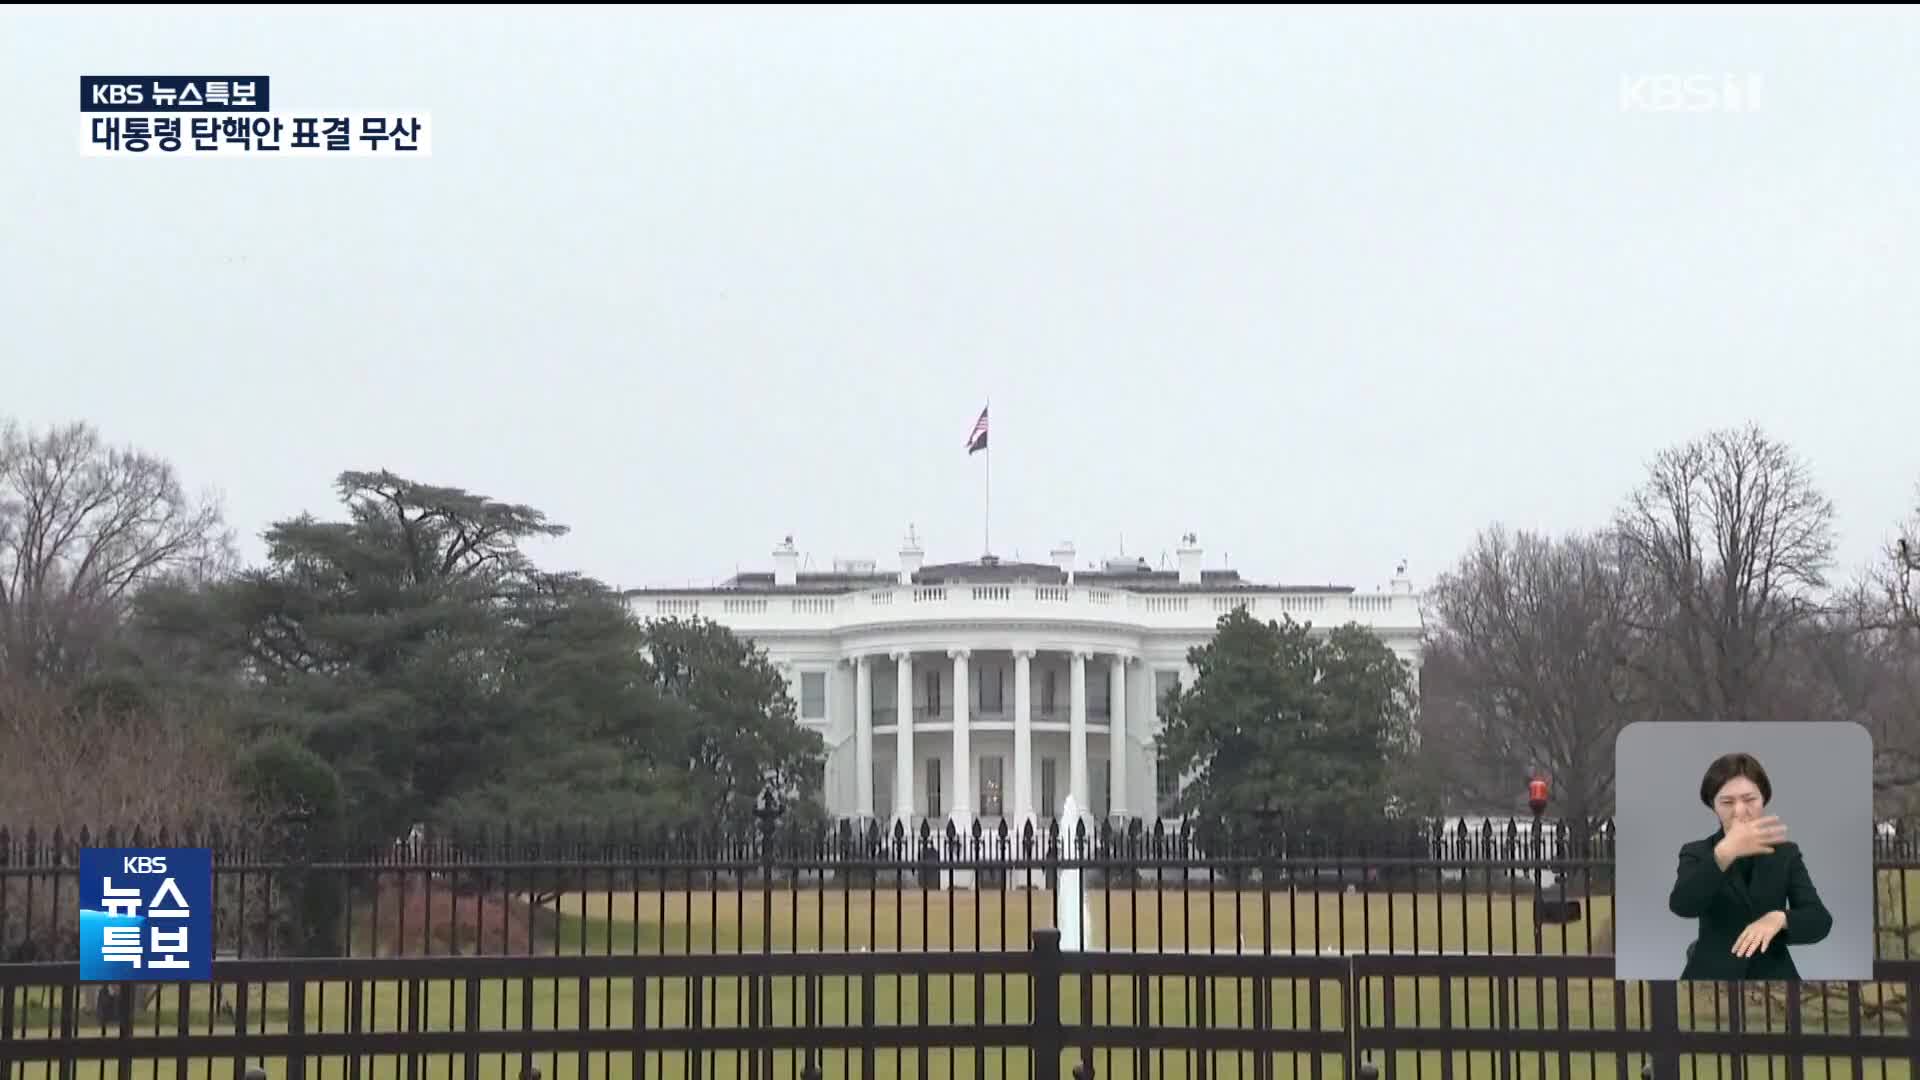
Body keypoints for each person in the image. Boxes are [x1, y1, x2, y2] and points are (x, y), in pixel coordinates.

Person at [1668, 752, 1833, 980]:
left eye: (1749, 800)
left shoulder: (1785, 854)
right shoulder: (1697, 853)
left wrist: (1779, 918)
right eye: (1727, 802)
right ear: (1713, 806)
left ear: (1763, 799)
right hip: (1710, 975)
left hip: (1774, 975)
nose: (1739, 811)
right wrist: (1725, 853)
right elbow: (1682, 906)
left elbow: (1820, 920)